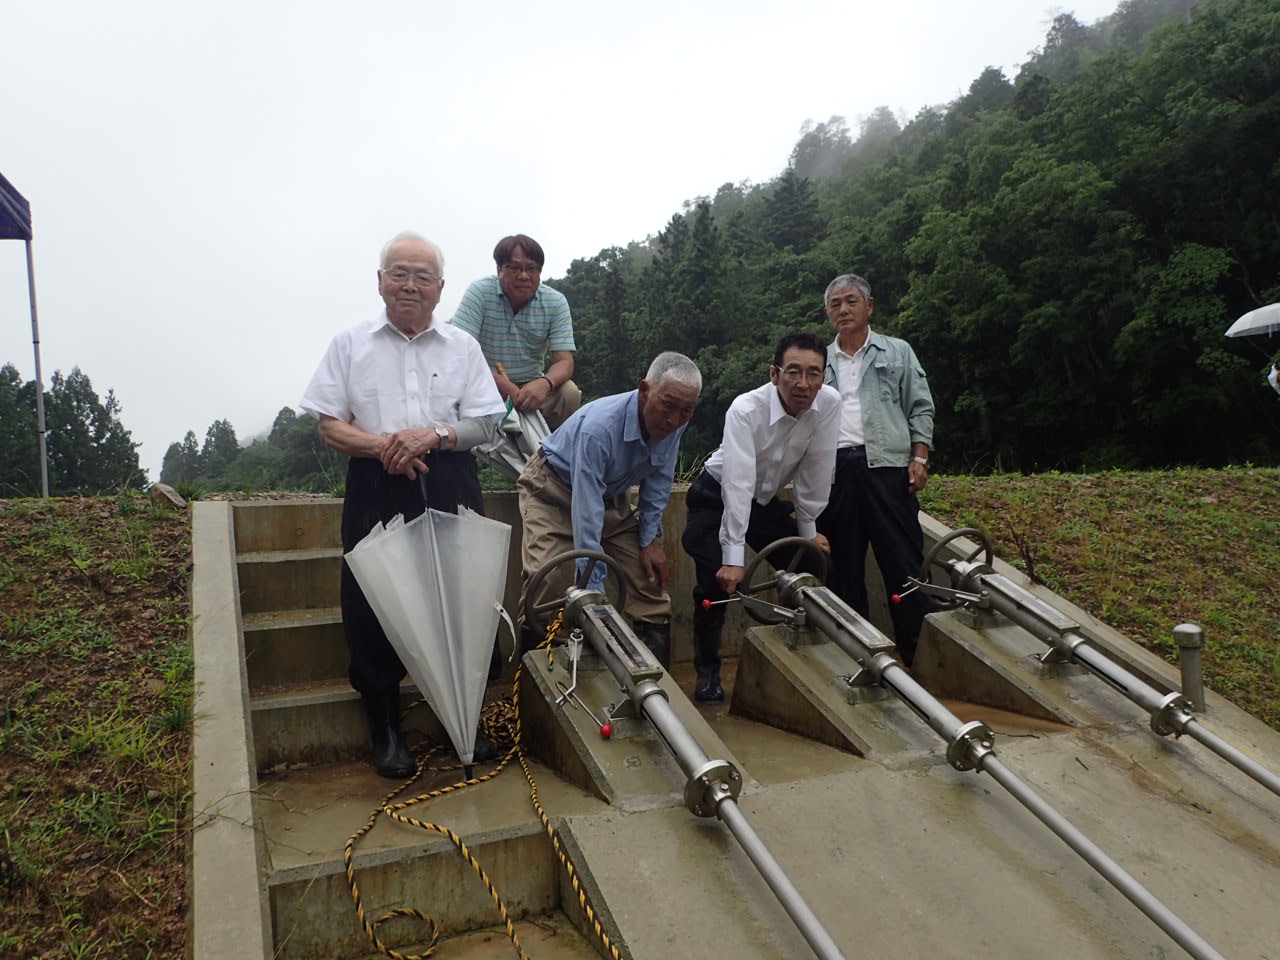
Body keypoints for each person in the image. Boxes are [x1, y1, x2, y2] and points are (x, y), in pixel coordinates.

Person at [300, 231, 507, 779]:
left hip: (449, 476)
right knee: (373, 602)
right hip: (376, 482)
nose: (410, 285)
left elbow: (488, 423)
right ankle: (386, 729)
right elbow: (328, 424)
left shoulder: (463, 347)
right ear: (380, 282)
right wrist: (382, 447)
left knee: (462, 594)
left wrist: (432, 436)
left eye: (422, 276)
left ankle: (464, 715)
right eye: (399, 273)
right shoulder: (350, 344)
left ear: (439, 287)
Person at [681, 332, 840, 702]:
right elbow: (737, 484)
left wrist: (808, 531)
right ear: (774, 374)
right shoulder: (745, 409)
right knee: (716, 583)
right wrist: (733, 557)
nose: (803, 383)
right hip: (715, 496)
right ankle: (708, 672)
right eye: (793, 372)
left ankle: (805, 657)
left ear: (823, 377)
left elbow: (817, 469)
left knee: (812, 563)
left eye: (813, 374)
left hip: (764, 502)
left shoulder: (829, 404)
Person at [517, 352, 701, 667]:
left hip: (609, 496)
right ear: (645, 391)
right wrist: (592, 588)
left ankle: (655, 687)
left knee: (648, 581)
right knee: (547, 579)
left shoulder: (675, 423)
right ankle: (535, 685)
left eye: (686, 410)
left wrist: (648, 540)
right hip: (552, 489)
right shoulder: (599, 428)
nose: (674, 420)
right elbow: (586, 510)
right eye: (668, 405)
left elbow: (659, 479)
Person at [817, 273, 935, 667]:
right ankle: (859, 660)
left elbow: (920, 406)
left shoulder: (897, 351)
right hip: (835, 473)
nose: (843, 309)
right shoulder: (820, 361)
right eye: (835, 304)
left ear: (869, 306)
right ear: (827, 312)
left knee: (904, 563)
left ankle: (919, 660)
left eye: (851, 301)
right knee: (843, 570)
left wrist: (920, 458)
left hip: (887, 468)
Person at [450, 234, 582, 430]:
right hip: (483, 382)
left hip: (531, 387)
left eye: (532, 269)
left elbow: (564, 361)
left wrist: (544, 383)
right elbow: (459, 353)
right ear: (499, 269)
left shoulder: (555, 302)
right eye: (515, 268)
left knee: (569, 393)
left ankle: (552, 447)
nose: (524, 276)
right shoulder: (480, 292)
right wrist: (505, 387)